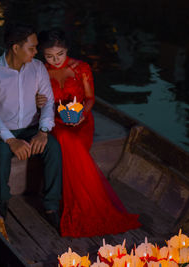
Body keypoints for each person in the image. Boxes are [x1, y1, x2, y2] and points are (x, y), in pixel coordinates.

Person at [36, 28, 141, 237]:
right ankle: (80, 202)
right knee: (65, 138)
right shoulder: (39, 71)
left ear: (67, 50)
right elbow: (38, 102)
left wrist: (83, 114)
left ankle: (84, 201)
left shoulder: (81, 68)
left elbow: (90, 98)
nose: (55, 60)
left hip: (81, 120)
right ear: (42, 54)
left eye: (60, 55)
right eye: (49, 56)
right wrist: (39, 102)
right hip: (55, 120)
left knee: (71, 140)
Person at [0, 22, 62, 229]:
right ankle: (0, 203)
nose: (36, 51)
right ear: (15, 48)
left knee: (53, 147)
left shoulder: (38, 68)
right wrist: (11, 140)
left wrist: (43, 132)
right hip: (2, 131)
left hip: (32, 128)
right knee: (1, 152)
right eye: (32, 47)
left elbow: (48, 101)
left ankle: (51, 205)